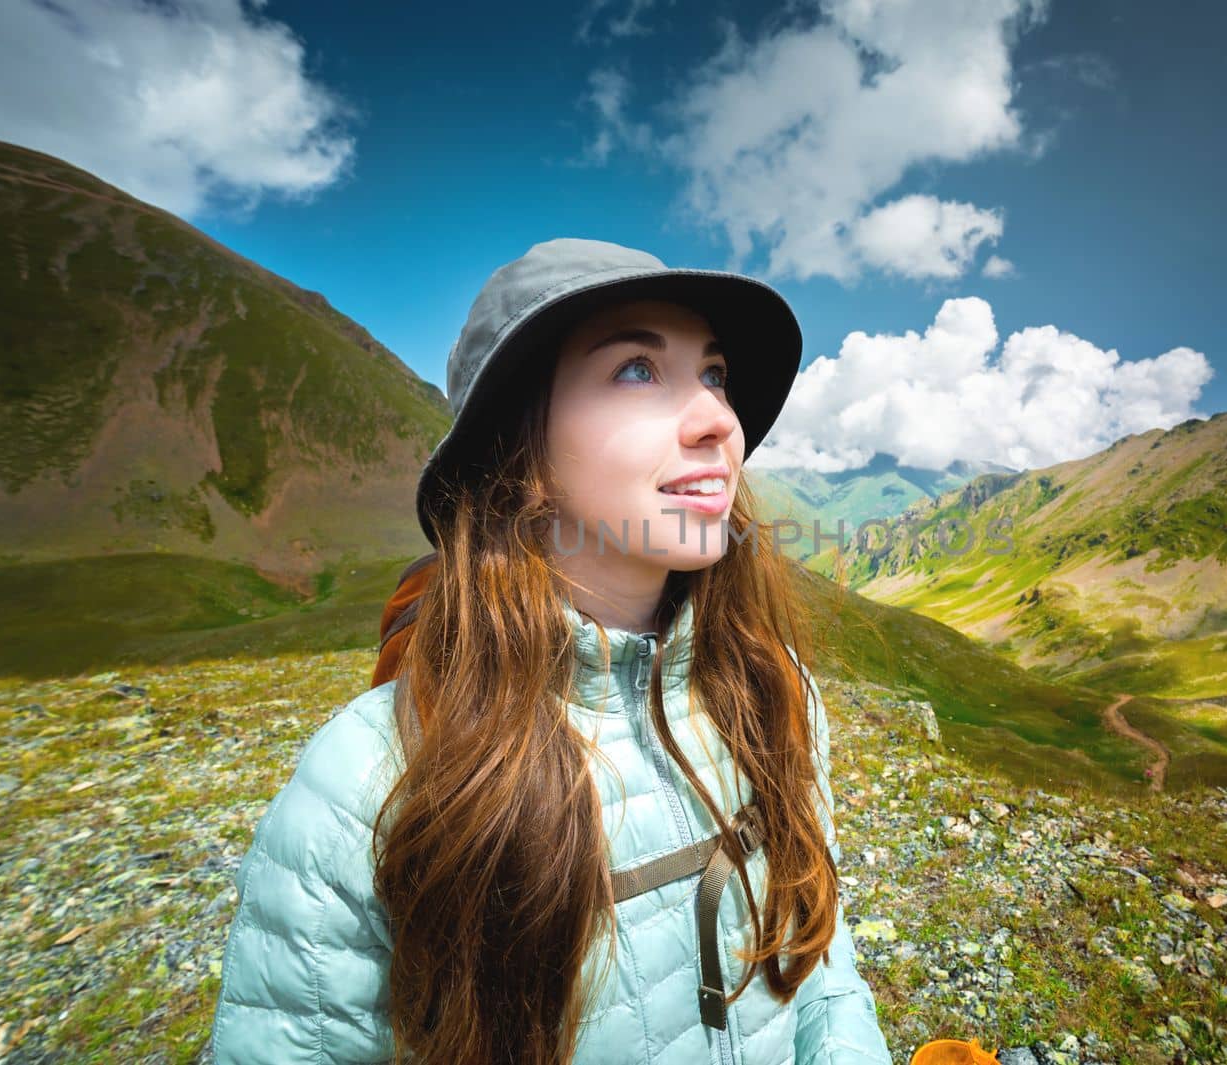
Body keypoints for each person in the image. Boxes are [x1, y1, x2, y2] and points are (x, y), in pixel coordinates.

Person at [208, 238, 895, 1065]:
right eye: (637, 368)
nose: (719, 417)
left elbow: (818, 966)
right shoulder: (364, 788)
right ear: (519, 448)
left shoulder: (776, 693)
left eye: (714, 373)